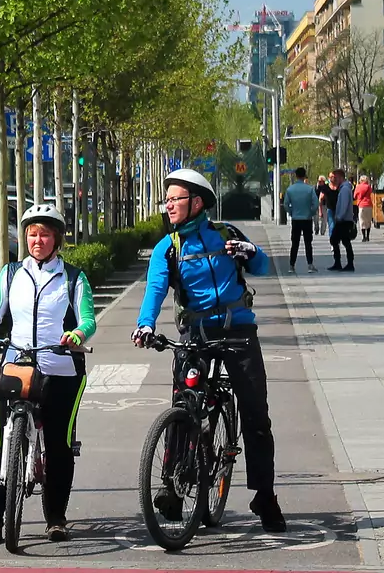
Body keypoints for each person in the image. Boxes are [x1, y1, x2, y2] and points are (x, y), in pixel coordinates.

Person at [131, 168, 287, 533]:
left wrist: (252, 252)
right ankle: (172, 485)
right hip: (195, 334)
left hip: (238, 332)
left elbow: (263, 266)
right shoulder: (167, 248)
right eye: (166, 199)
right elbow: (155, 289)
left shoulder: (226, 235)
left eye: (175, 199)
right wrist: (145, 324)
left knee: (256, 417)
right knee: (184, 405)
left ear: (196, 202)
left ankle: (265, 496)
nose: (168, 205)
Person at [0, 204, 97, 545]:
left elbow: (88, 318)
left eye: (45, 234)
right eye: (32, 234)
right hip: (17, 366)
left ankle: (56, 518)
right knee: (4, 445)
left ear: (57, 240)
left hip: (60, 369)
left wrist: (77, 334)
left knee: (58, 444)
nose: (38, 240)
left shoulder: (73, 278)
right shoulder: (10, 274)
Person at [283, 167, 318, 273]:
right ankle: (310, 265)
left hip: (296, 219)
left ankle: (291, 265)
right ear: (304, 176)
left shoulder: (290, 189)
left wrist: (291, 212)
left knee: (295, 243)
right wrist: (311, 212)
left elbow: (285, 204)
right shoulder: (310, 189)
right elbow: (316, 204)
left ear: (295, 175)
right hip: (307, 219)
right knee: (308, 243)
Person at [328, 169, 355, 271]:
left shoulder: (344, 189)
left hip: (343, 220)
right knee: (344, 241)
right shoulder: (344, 188)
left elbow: (343, 205)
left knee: (335, 240)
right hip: (344, 220)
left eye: (335, 177)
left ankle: (343, 263)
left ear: (340, 177)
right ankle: (345, 263)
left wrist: (339, 217)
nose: (334, 180)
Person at [354, 175, 374, 242]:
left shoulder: (358, 187)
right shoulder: (368, 187)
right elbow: (371, 193)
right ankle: (368, 236)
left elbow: (354, 196)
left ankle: (363, 237)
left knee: (362, 221)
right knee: (368, 221)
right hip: (369, 204)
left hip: (361, 205)